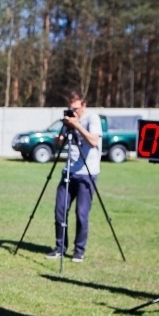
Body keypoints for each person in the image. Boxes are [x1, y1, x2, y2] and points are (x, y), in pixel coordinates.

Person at [45, 90, 102, 263]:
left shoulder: (92, 119)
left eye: (76, 108)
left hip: (87, 173)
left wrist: (76, 125)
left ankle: (79, 251)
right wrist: (59, 138)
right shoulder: (69, 120)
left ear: (84, 105)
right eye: (71, 108)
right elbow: (60, 143)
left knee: (81, 214)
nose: (73, 112)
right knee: (60, 211)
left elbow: (93, 141)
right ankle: (60, 248)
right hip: (68, 171)